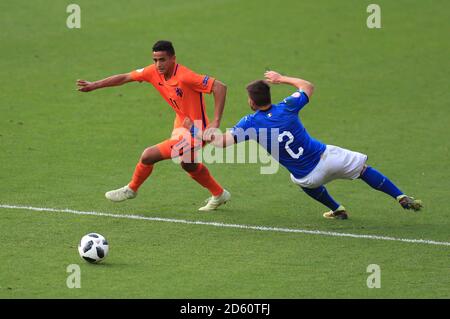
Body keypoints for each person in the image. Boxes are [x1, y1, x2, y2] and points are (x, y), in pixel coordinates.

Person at [202, 70, 422, 219]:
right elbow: (307, 86)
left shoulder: (249, 123)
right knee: (363, 170)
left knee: (300, 180)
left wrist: (199, 131)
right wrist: (281, 78)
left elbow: (222, 143)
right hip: (328, 159)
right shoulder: (287, 106)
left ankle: (337, 209)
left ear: (251, 101)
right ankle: (399, 196)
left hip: (309, 177)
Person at [77, 40, 230, 211]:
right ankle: (219, 194)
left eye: (162, 60)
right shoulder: (153, 72)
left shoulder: (186, 76)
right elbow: (125, 77)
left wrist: (216, 121)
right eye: (155, 60)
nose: (158, 64)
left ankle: (131, 189)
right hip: (181, 125)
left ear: (173, 58)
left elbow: (220, 87)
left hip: (196, 132)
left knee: (148, 155)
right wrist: (94, 85)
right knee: (188, 164)